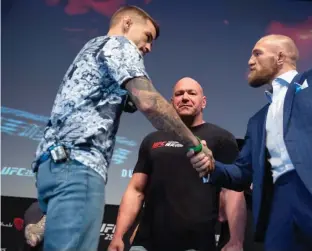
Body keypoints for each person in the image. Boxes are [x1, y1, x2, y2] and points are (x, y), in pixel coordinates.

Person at [188, 34, 312, 251]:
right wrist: (210, 165)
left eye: (257, 53)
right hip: (278, 206)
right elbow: (241, 174)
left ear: (280, 57)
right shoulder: (257, 121)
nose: (250, 61)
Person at [32, 6, 211, 251]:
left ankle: (50, 219)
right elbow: (150, 103)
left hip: (50, 168)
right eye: (147, 37)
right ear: (127, 23)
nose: (149, 47)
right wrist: (195, 144)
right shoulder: (119, 45)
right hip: (79, 167)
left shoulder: (92, 48)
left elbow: (123, 99)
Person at [108, 77, 247, 251]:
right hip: (146, 243)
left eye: (192, 93)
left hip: (197, 243)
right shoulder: (152, 140)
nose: (185, 97)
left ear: (203, 102)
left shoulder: (222, 138)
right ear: (171, 102)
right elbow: (135, 190)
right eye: (179, 94)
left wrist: (236, 240)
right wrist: (118, 235)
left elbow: (232, 191)